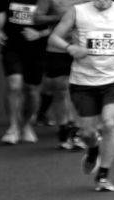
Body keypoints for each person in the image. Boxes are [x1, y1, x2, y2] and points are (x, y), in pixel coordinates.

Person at [48, 0, 114, 192]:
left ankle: (103, 175)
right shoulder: (77, 12)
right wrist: (69, 48)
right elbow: (54, 38)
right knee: (87, 133)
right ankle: (92, 151)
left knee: (109, 123)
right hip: (84, 81)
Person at [34, 0, 90, 150]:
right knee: (60, 88)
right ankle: (64, 128)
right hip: (58, 48)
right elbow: (37, 17)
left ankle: (78, 129)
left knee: (80, 89)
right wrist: (60, 17)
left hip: (83, 48)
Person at [0, 0, 51, 144]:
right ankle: (13, 127)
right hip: (12, 47)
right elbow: (0, 11)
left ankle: (26, 125)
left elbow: (62, 21)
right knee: (14, 85)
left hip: (37, 49)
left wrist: (39, 33)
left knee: (31, 90)